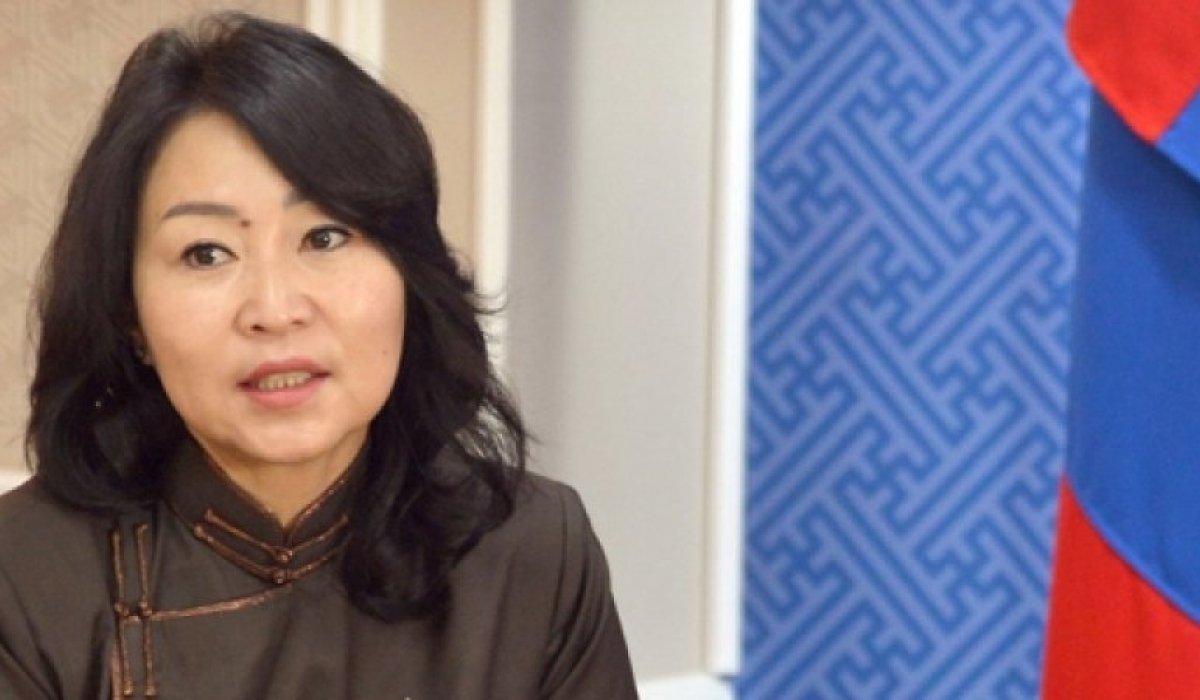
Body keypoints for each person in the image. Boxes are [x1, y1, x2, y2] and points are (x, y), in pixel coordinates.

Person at [0, 11, 637, 699]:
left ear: (408, 271)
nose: (275, 310)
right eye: (207, 253)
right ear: (130, 316)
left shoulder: (535, 553)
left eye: (325, 237)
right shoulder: (24, 579)